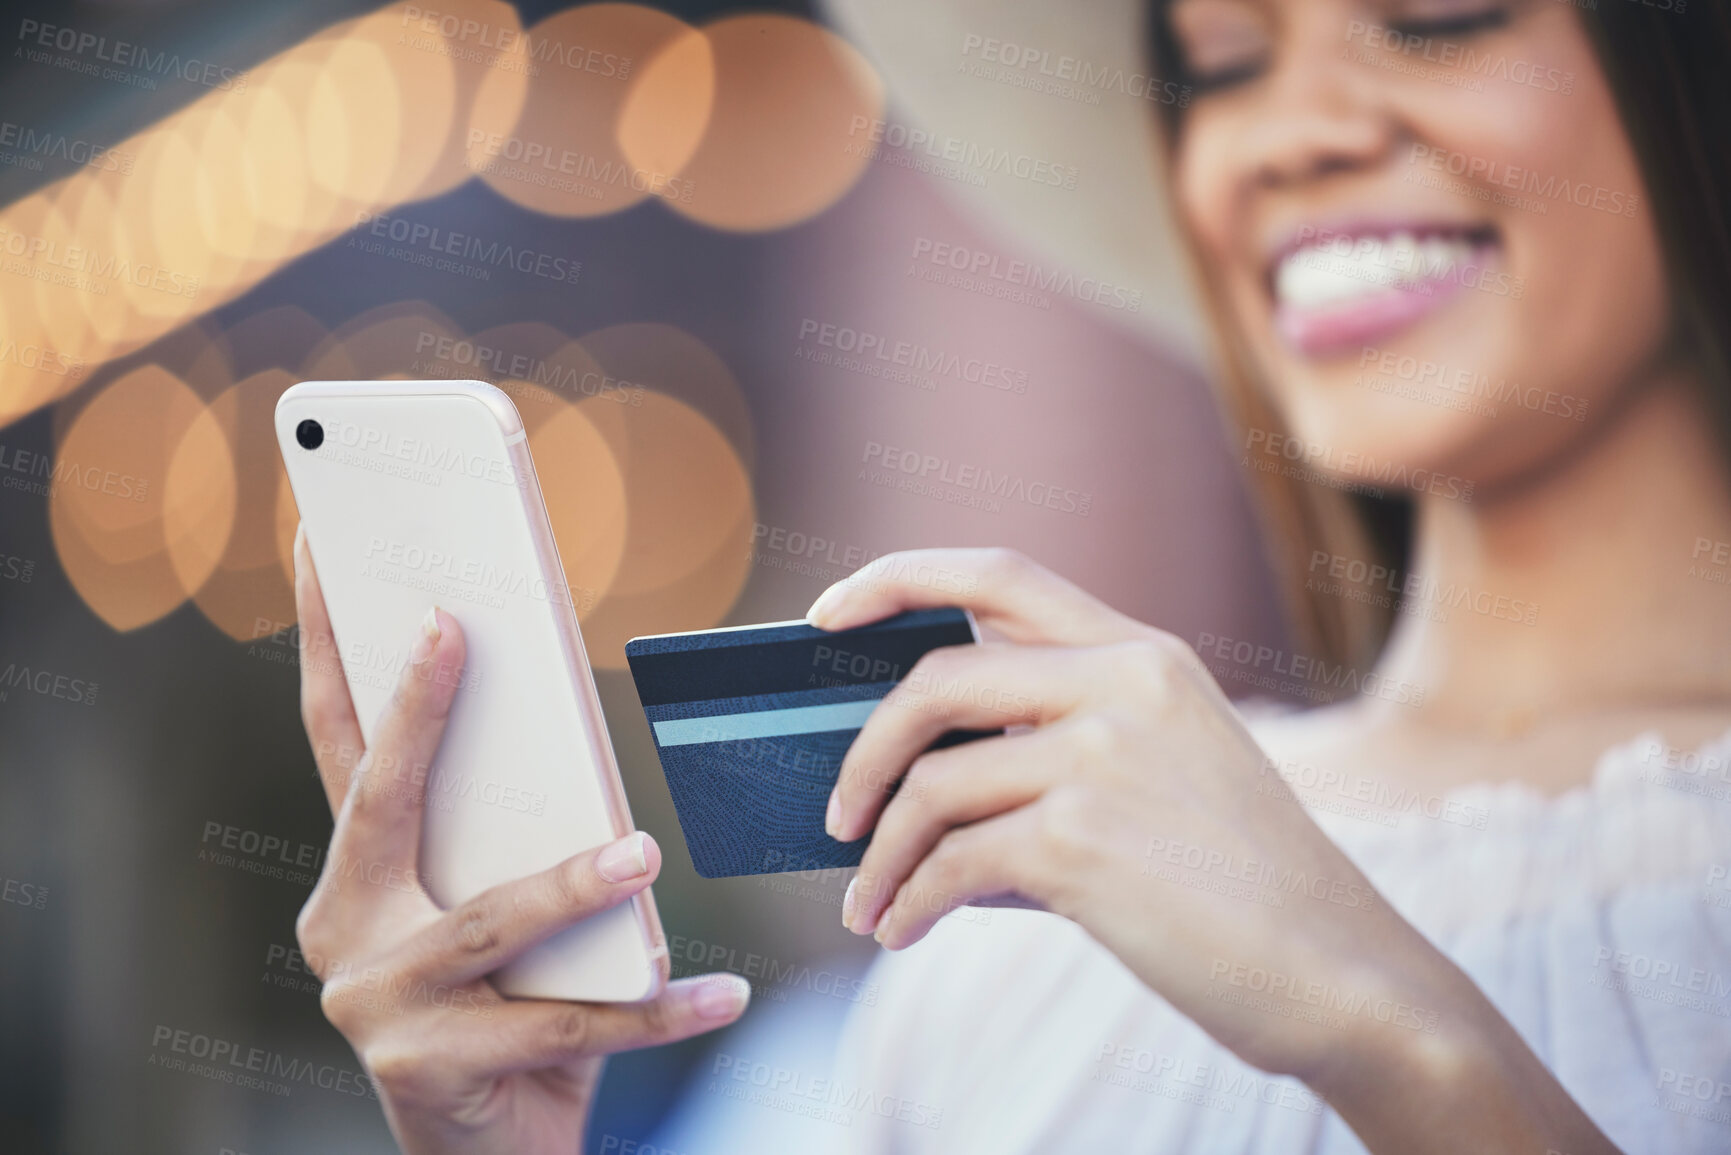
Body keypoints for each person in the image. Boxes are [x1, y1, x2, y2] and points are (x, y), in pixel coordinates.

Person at [290, 0, 1731, 1151]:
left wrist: (1395, 1029)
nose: (1286, 135)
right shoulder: (1016, 936)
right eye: (1220, 65)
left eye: (1436, 17)